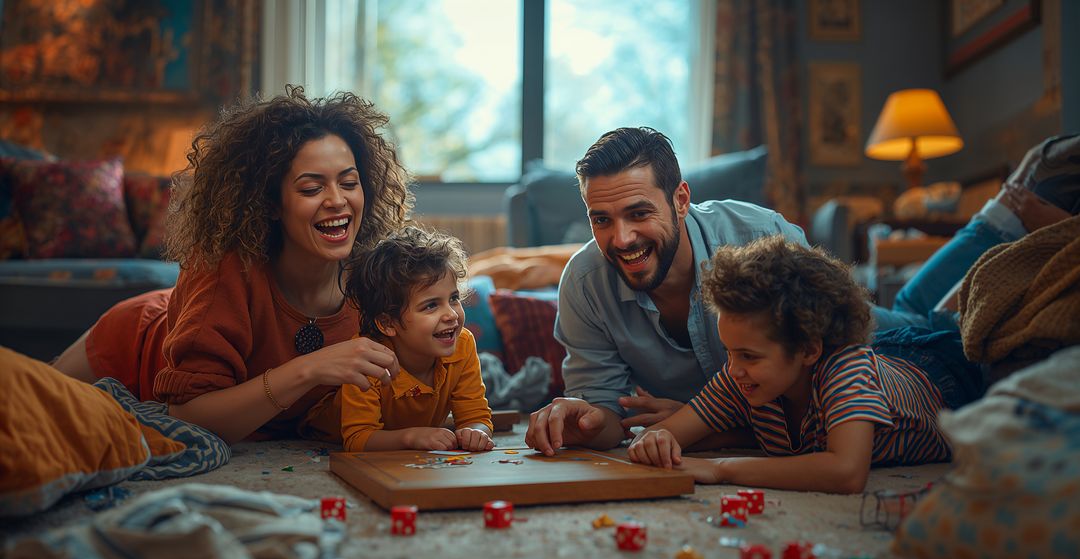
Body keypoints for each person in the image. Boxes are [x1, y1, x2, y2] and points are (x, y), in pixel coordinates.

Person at [52, 87, 413, 444]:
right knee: (28, 410)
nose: (337, 200)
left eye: (349, 183)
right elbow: (187, 416)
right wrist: (311, 368)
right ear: (271, 203)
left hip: (185, 311)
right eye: (310, 189)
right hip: (134, 345)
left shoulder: (374, 281)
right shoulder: (225, 270)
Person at [524, 127, 807, 455]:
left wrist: (695, 422)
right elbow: (609, 418)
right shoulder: (583, 283)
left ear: (681, 200)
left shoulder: (766, 239)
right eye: (601, 220)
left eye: (639, 213)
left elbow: (824, 391)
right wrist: (586, 421)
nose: (622, 239)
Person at [627, 236, 980, 493]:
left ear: (809, 350)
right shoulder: (743, 374)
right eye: (729, 351)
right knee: (922, 309)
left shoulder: (845, 366)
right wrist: (655, 440)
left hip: (945, 373)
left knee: (961, 317)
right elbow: (667, 433)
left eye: (748, 355)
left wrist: (721, 469)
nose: (732, 369)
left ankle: (999, 216)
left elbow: (845, 472)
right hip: (888, 359)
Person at [873, 133, 1080, 331]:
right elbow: (1039, 152)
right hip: (989, 224)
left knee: (932, 327)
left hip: (1014, 242)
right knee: (908, 305)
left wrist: (1059, 227)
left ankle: (845, 314)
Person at [330, 226, 494, 452]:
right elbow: (357, 439)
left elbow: (477, 416)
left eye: (453, 298)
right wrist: (411, 437)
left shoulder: (463, 344)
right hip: (322, 429)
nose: (452, 314)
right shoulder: (368, 360)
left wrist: (476, 432)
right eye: (431, 305)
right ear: (388, 323)